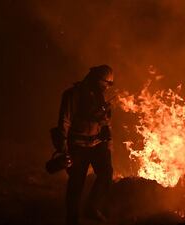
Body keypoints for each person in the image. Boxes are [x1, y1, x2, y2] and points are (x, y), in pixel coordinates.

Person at [57, 65, 115, 225]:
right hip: (77, 146)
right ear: (96, 79)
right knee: (76, 183)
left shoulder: (100, 97)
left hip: (97, 144)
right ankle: (72, 219)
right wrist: (63, 149)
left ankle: (92, 207)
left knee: (106, 174)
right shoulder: (73, 95)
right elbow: (64, 121)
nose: (108, 87)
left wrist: (108, 144)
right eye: (107, 83)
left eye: (110, 84)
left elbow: (106, 123)